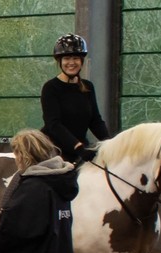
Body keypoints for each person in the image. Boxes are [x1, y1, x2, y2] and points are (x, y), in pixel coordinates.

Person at [40, 34, 112, 163]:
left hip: (80, 149)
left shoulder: (87, 87)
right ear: (60, 61)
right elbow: (53, 125)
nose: (71, 63)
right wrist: (77, 146)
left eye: (75, 58)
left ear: (81, 61)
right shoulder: (50, 88)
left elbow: (95, 121)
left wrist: (109, 143)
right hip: (54, 150)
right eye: (67, 58)